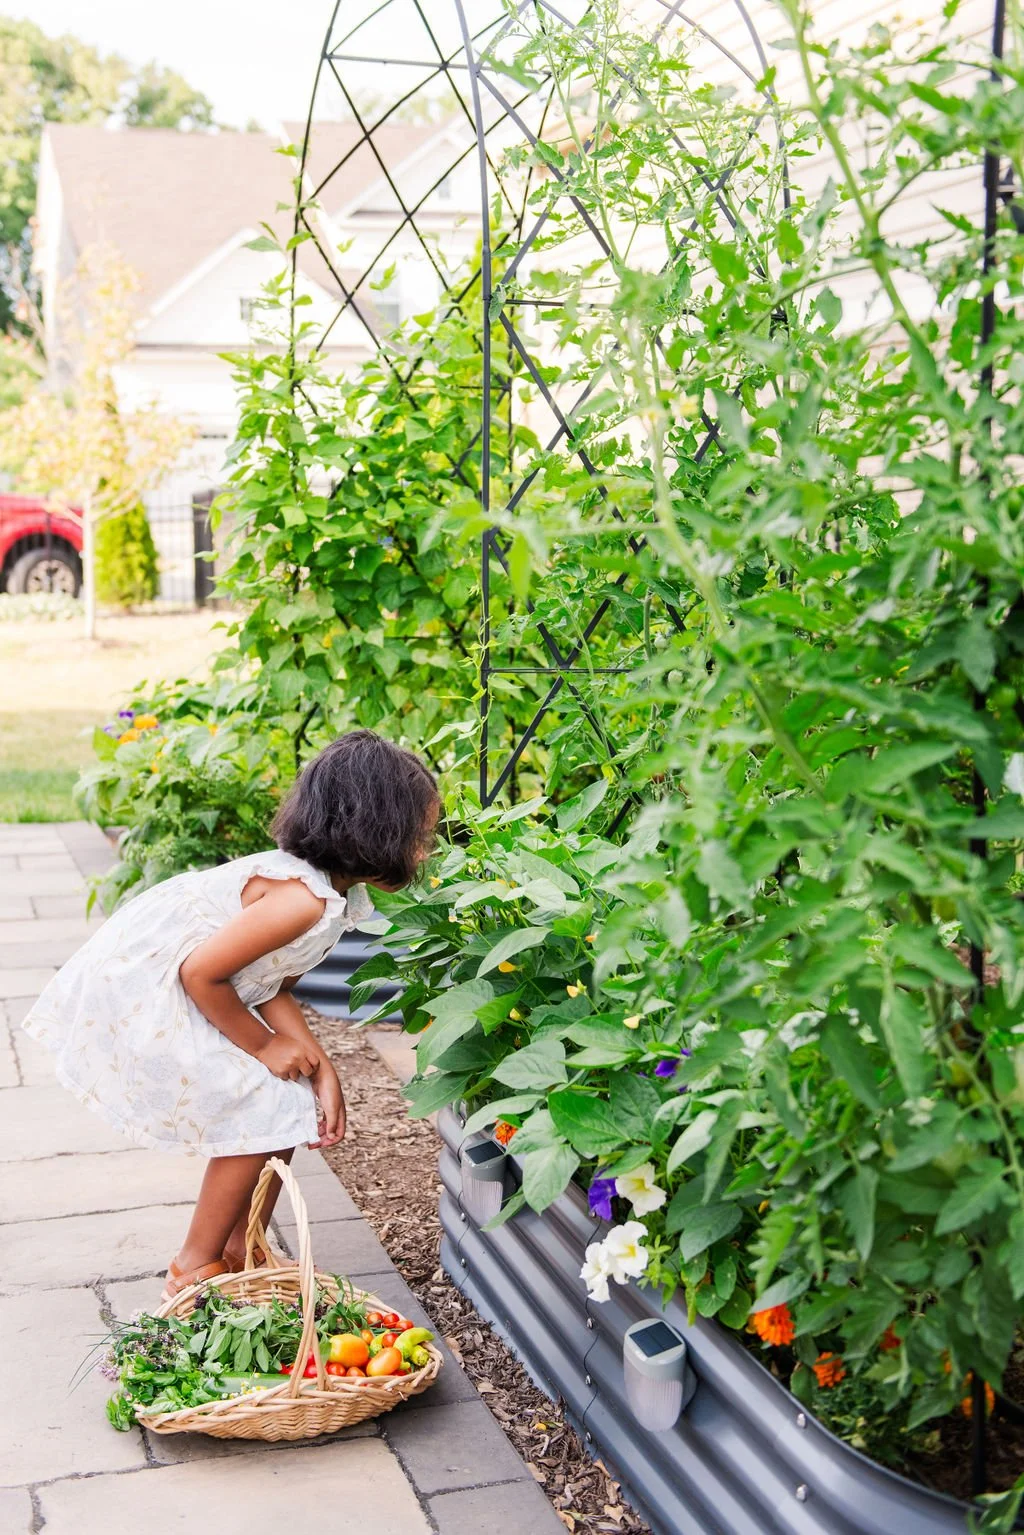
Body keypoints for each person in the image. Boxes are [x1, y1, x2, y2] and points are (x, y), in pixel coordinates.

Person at [22, 730, 439, 1299]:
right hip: (150, 990)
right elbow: (201, 973)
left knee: (289, 1101)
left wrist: (319, 1066)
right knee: (256, 1100)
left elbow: (267, 984)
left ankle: (245, 1246)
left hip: (202, 985)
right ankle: (192, 1266)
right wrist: (267, 1049)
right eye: (419, 835)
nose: (426, 850)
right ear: (374, 831)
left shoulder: (329, 899)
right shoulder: (301, 900)